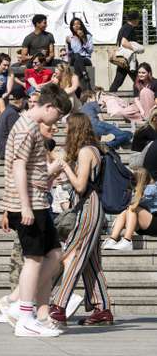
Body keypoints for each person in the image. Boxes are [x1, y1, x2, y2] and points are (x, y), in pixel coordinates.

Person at [1, 84, 71, 337]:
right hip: (30, 202)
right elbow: (18, 167)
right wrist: (25, 206)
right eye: (58, 115)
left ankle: (36, 313)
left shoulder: (29, 126)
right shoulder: (26, 128)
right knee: (34, 259)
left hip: (37, 200)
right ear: (49, 107)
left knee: (54, 254)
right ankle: (24, 314)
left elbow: (27, 168)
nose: (58, 122)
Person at [49, 113, 112, 327]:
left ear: (75, 128)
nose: (65, 131)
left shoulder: (86, 151)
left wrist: (65, 166)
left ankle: (58, 306)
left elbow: (80, 186)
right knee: (91, 263)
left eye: (67, 127)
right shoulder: (91, 150)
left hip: (89, 207)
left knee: (73, 254)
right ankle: (102, 308)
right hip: (91, 206)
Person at [104, 167, 155, 251]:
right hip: (145, 225)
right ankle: (113, 239)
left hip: (154, 224)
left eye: (134, 179)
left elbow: (134, 203)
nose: (131, 181)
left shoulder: (152, 189)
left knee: (132, 208)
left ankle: (127, 241)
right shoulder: (141, 189)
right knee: (126, 210)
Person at [109, 11, 144, 92]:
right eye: (138, 19)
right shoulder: (129, 28)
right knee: (138, 79)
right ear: (134, 19)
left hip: (124, 58)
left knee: (118, 80)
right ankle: (143, 95)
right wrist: (134, 49)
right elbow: (124, 42)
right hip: (129, 58)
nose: (138, 21)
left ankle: (109, 95)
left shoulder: (124, 27)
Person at [0, 86, 28, 160]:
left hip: (6, 152)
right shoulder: (12, 114)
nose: (26, 103)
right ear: (21, 100)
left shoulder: (8, 111)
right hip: (10, 154)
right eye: (25, 100)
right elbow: (17, 136)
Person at [66, 18, 93, 90]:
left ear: (81, 25)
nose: (76, 26)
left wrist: (83, 38)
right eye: (74, 25)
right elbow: (69, 53)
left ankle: (77, 82)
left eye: (78, 24)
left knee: (78, 60)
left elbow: (90, 51)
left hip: (85, 59)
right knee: (77, 55)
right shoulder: (69, 37)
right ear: (71, 27)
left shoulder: (88, 36)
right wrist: (69, 43)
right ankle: (85, 75)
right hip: (73, 58)